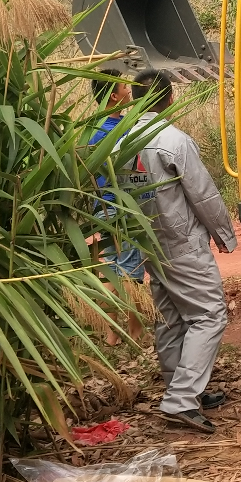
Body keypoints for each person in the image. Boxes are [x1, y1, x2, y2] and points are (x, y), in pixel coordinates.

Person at [130, 70, 237, 433]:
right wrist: (223, 232)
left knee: (171, 318)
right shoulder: (172, 140)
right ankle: (181, 400)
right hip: (181, 241)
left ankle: (181, 387)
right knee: (209, 315)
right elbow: (202, 193)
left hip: (147, 238)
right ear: (169, 98)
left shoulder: (119, 141)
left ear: (133, 98)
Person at [88, 77, 145, 345]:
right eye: (124, 88)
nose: (129, 91)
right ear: (113, 96)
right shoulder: (117, 130)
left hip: (103, 207)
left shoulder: (96, 127)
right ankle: (136, 331)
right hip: (120, 206)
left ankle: (111, 334)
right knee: (131, 269)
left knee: (110, 266)